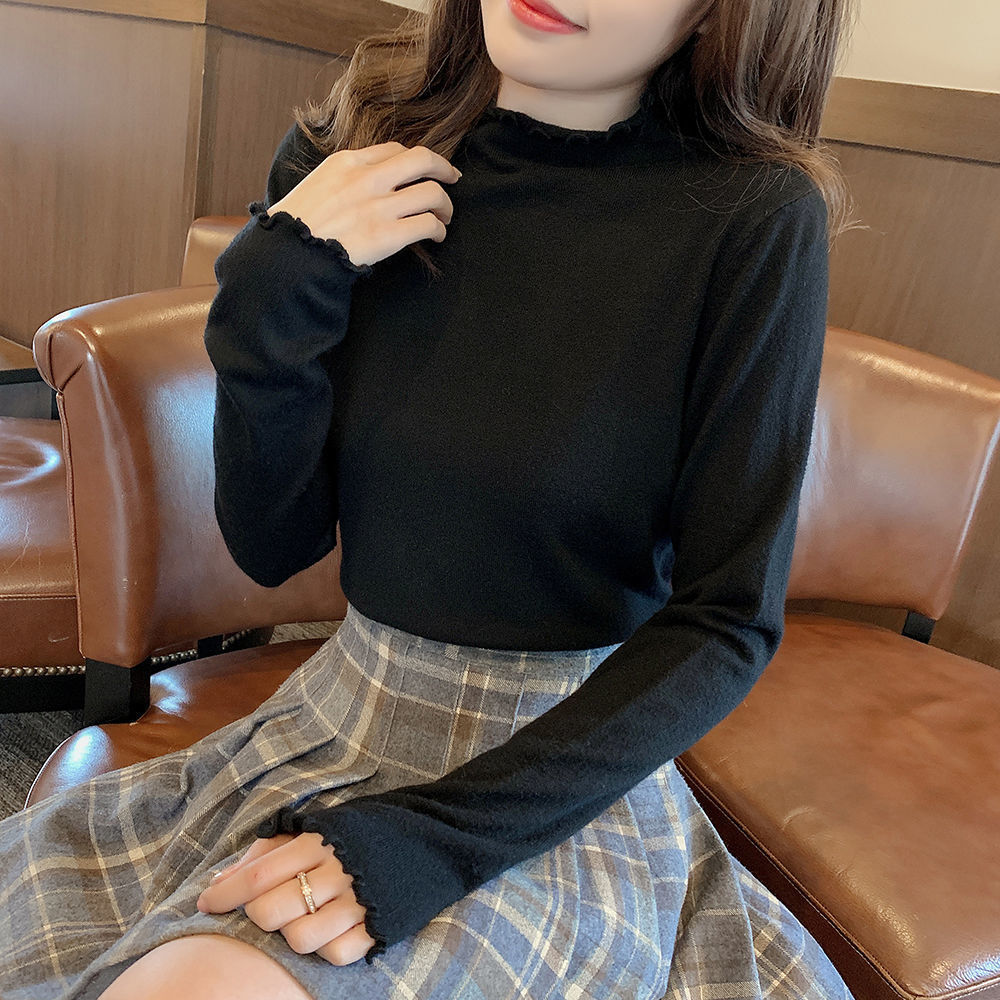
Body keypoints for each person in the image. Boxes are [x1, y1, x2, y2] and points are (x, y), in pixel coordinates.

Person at [0, 0, 862, 997]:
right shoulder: (357, 153)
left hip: (556, 782)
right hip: (341, 715)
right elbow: (273, 544)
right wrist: (273, 290)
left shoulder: (751, 216)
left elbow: (727, 620)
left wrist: (435, 839)